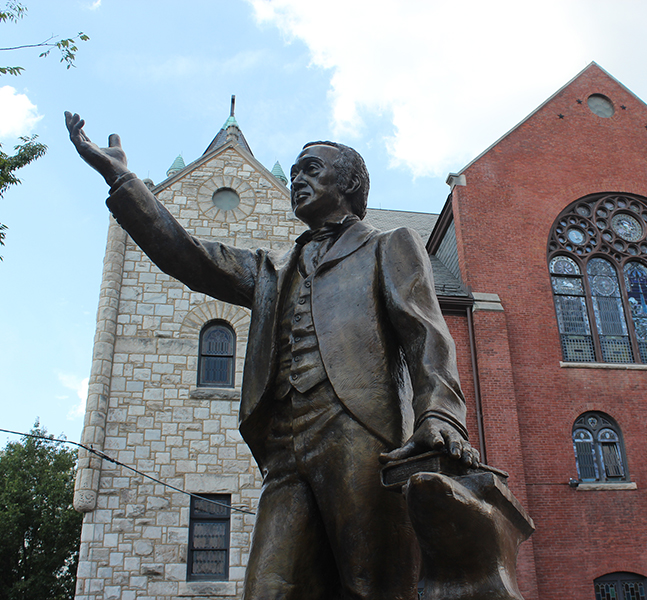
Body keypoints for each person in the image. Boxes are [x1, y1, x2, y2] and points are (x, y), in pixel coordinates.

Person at [65, 112, 478, 600]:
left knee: (373, 586)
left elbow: (426, 334)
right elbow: (189, 256)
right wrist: (123, 180)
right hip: (283, 445)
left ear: (346, 183)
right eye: (293, 174)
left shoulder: (388, 245)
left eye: (310, 169)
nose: (296, 180)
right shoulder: (272, 270)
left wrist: (441, 416)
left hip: (360, 432)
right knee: (268, 588)